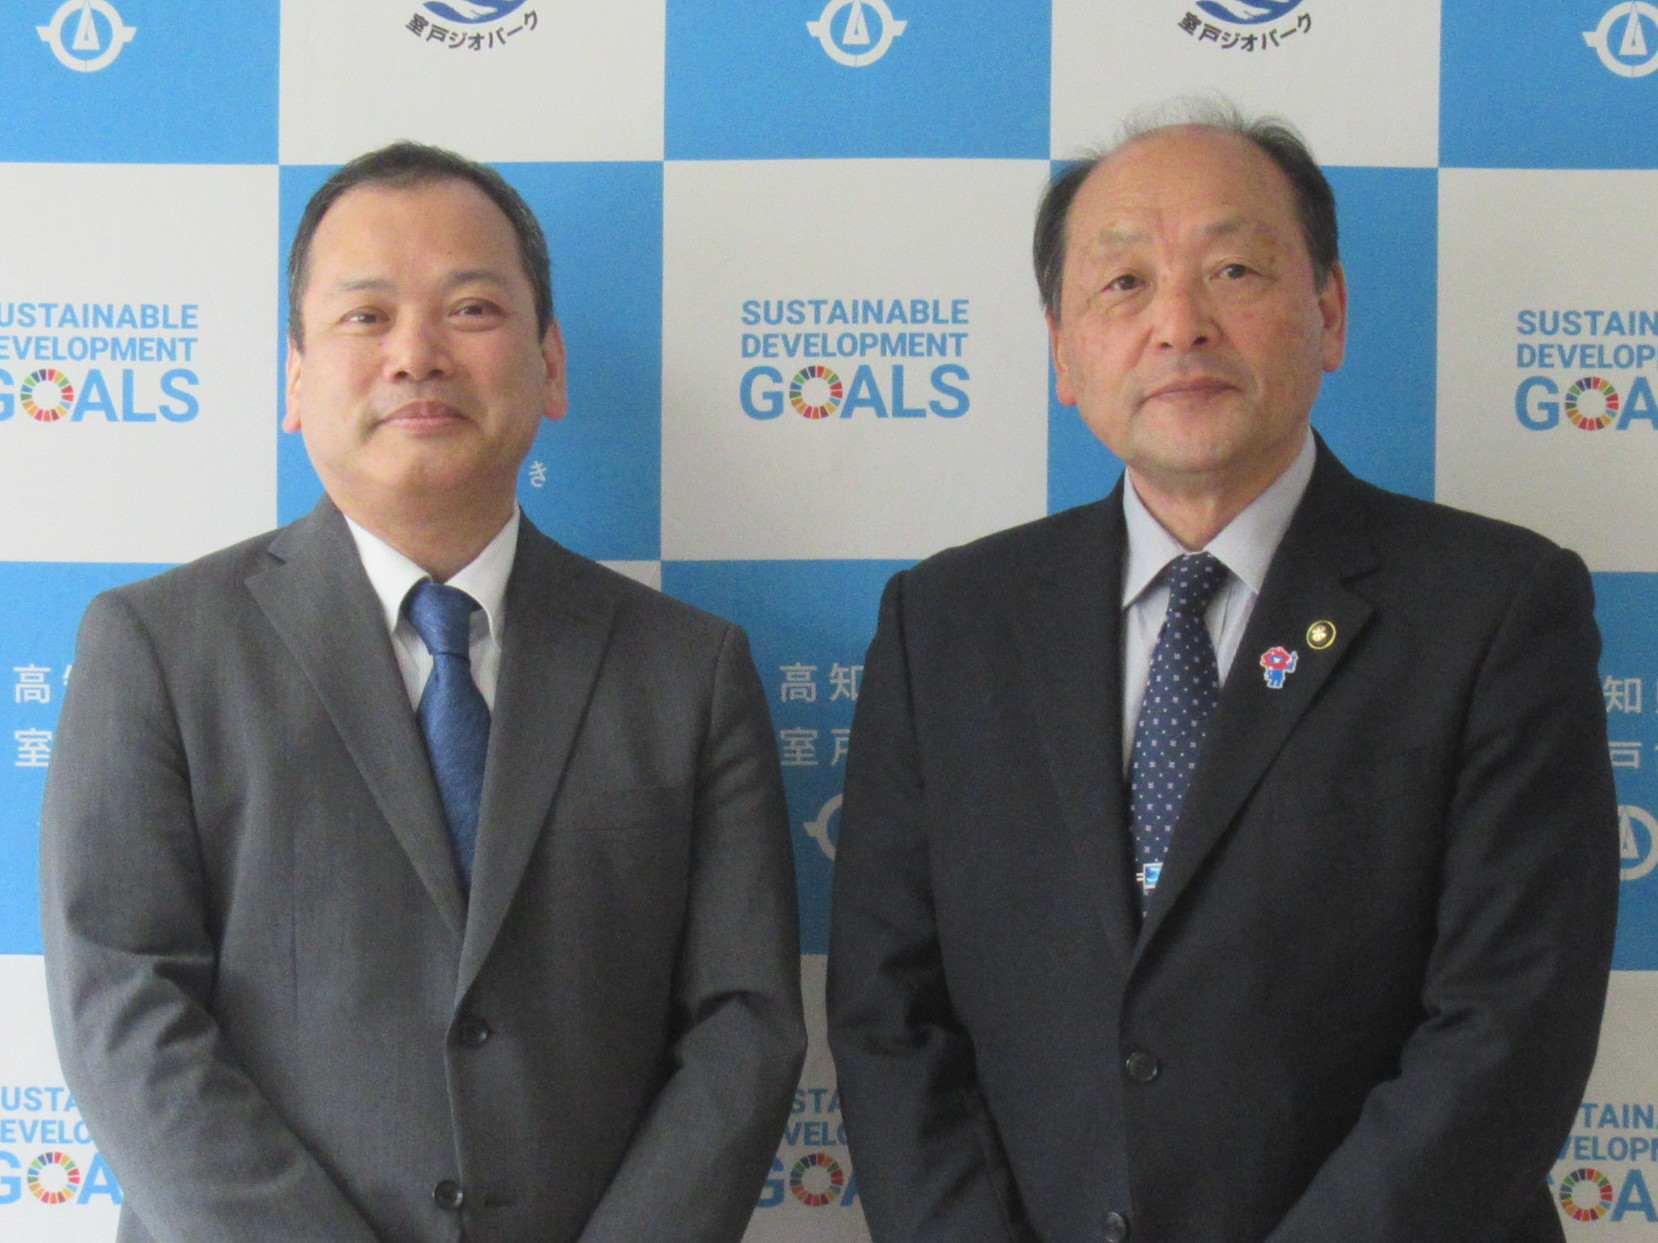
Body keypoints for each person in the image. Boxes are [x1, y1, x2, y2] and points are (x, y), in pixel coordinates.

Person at [827, 102, 1619, 1243]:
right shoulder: (944, 623)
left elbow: (1509, 1026)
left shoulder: (1495, 607)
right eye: (1124, 284)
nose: (1178, 325)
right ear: (1062, 351)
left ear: (1329, 312)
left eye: (1233, 270)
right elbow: (888, 1017)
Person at [41, 141, 805, 1243]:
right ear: (295, 380)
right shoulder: (157, 647)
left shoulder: (688, 670)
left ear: (550, 364)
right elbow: (123, 1008)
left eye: (471, 309)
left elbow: (743, 1026)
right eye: (365, 316)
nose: (416, 355)